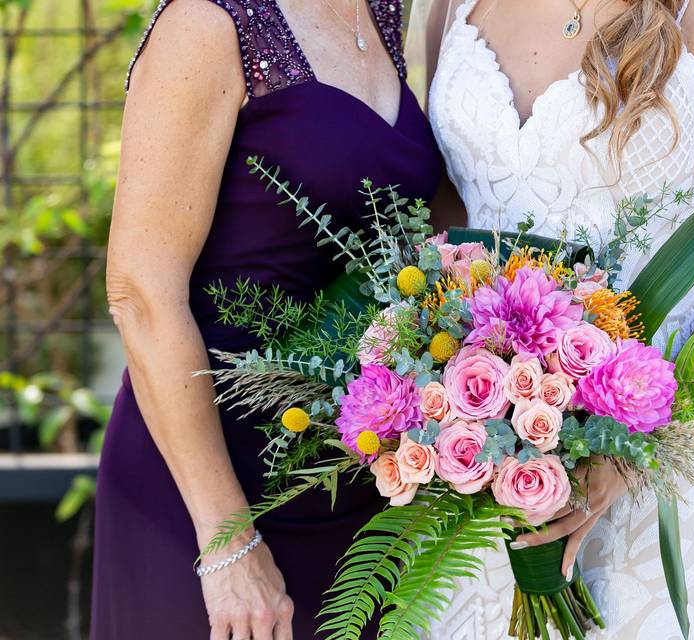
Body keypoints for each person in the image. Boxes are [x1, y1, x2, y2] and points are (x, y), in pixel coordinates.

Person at [408, 0, 694, 637]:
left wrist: (626, 450)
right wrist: (447, 387)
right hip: (473, 455)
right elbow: (449, 212)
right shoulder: (452, 7)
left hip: (652, 459)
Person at [92, 0, 441, 637]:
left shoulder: (382, 14)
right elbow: (140, 292)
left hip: (346, 475)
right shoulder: (206, 23)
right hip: (206, 481)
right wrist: (228, 541)